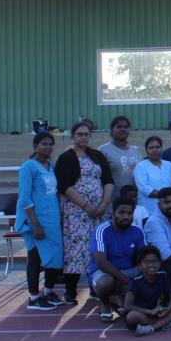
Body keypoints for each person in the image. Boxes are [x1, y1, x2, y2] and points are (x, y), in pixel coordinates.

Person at [55, 121, 114, 305]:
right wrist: (85, 205)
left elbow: (108, 180)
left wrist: (104, 203)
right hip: (76, 212)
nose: (83, 137)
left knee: (96, 249)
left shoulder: (97, 155)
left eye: (86, 134)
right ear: (73, 136)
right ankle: (70, 291)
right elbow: (64, 185)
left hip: (99, 212)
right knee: (75, 250)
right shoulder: (66, 157)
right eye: (80, 134)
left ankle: (95, 288)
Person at [16, 130, 63, 310]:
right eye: (44, 143)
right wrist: (35, 225)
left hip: (51, 219)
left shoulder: (51, 165)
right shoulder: (28, 167)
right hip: (34, 220)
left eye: (50, 144)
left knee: (55, 256)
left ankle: (48, 291)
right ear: (36, 145)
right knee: (35, 257)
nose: (48, 147)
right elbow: (24, 198)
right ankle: (34, 297)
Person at [89, 196, 146, 321]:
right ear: (113, 212)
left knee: (152, 273)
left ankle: (122, 300)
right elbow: (101, 262)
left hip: (129, 270)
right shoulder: (101, 230)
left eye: (129, 213)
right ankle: (105, 303)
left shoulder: (137, 231)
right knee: (106, 283)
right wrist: (127, 282)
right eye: (122, 213)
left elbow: (144, 257)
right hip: (103, 271)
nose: (126, 216)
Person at [123, 245, 171, 336]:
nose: (151, 265)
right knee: (131, 316)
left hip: (158, 312)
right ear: (140, 266)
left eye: (155, 261)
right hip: (143, 313)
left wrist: (167, 309)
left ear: (160, 263)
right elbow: (127, 306)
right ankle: (167, 323)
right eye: (147, 262)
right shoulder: (135, 281)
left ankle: (153, 327)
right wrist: (150, 311)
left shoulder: (162, 275)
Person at [134, 136, 171, 215]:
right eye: (151, 148)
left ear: (161, 149)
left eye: (157, 147)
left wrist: (169, 199)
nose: (155, 150)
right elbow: (144, 188)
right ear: (146, 150)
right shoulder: (141, 166)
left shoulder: (169, 165)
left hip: (169, 207)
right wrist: (165, 197)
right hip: (149, 209)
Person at [99, 116, 142, 191]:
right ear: (111, 130)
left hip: (136, 196)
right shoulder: (103, 150)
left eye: (126, 127)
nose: (123, 129)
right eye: (119, 127)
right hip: (113, 197)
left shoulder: (135, 150)